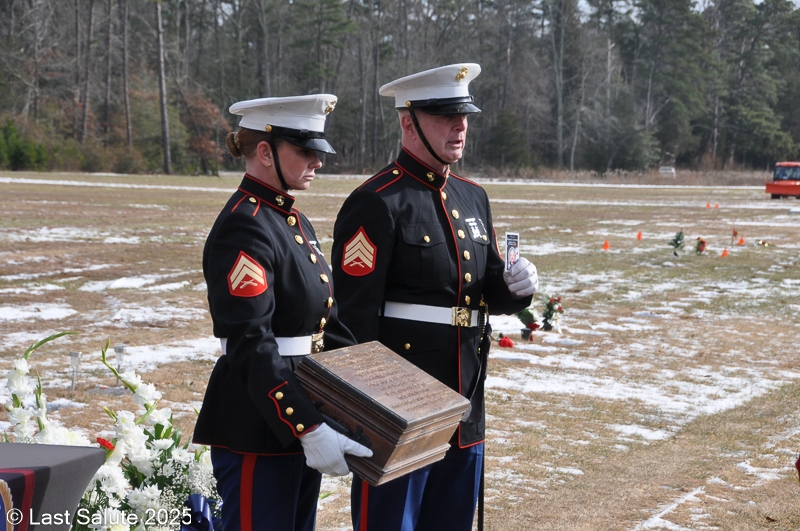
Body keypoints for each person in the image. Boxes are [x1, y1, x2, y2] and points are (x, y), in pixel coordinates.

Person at [331, 64, 539, 530]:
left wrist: (516, 287)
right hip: (400, 410)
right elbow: (351, 320)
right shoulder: (377, 200)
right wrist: (362, 417)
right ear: (409, 122)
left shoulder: (472, 196)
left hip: (464, 402)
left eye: (463, 116)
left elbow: (482, 292)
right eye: (446, 116)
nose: (460, 126)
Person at [193, 94, 372, 531]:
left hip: (298, 408)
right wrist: (306, 425)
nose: (318, 161)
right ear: (264, 151)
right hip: (259, 421)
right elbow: (250, 340)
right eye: (305, 150)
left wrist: (372, 393)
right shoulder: (245, 224)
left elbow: (326, 324)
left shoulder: (291, 220)